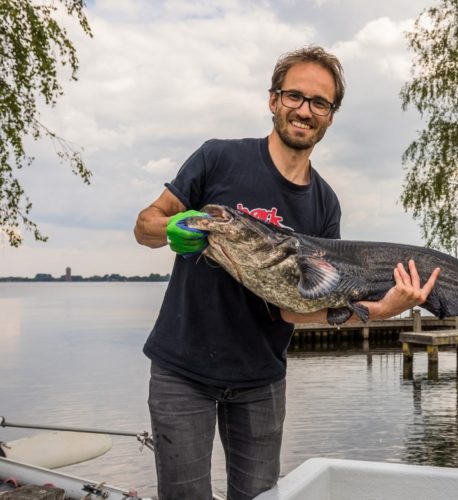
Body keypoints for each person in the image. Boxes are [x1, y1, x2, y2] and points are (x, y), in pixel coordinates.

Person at [133, 45, 440, 500]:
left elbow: (299, 313)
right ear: (273, 99)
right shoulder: (219, 158)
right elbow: (145, 226)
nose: (304, 110)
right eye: (295, 96)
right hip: (183, 372)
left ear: (331, 116)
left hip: (260, 380)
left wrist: (378, 310)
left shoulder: (324, 204)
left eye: (320, 102)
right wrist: (171, 227)